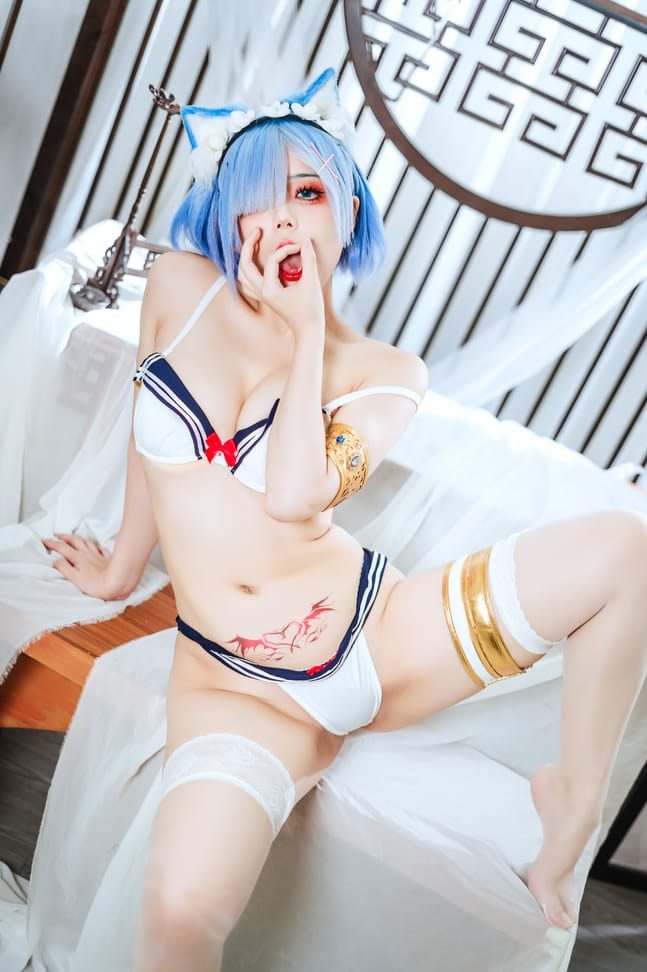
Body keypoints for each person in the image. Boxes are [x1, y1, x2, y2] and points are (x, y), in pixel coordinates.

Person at [43, 68, 647, 971]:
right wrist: (124, 567)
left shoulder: (386, 371)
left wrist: (304, 338)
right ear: (227, 218)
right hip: (232, 685)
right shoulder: (180, 284)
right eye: (255, 197)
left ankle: (575, 801)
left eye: (308, 193)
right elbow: (146, 428)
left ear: (349, 213)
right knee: (179, 913)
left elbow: (295, 495)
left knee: (627, 549)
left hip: (377, 640)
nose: (281, 218)